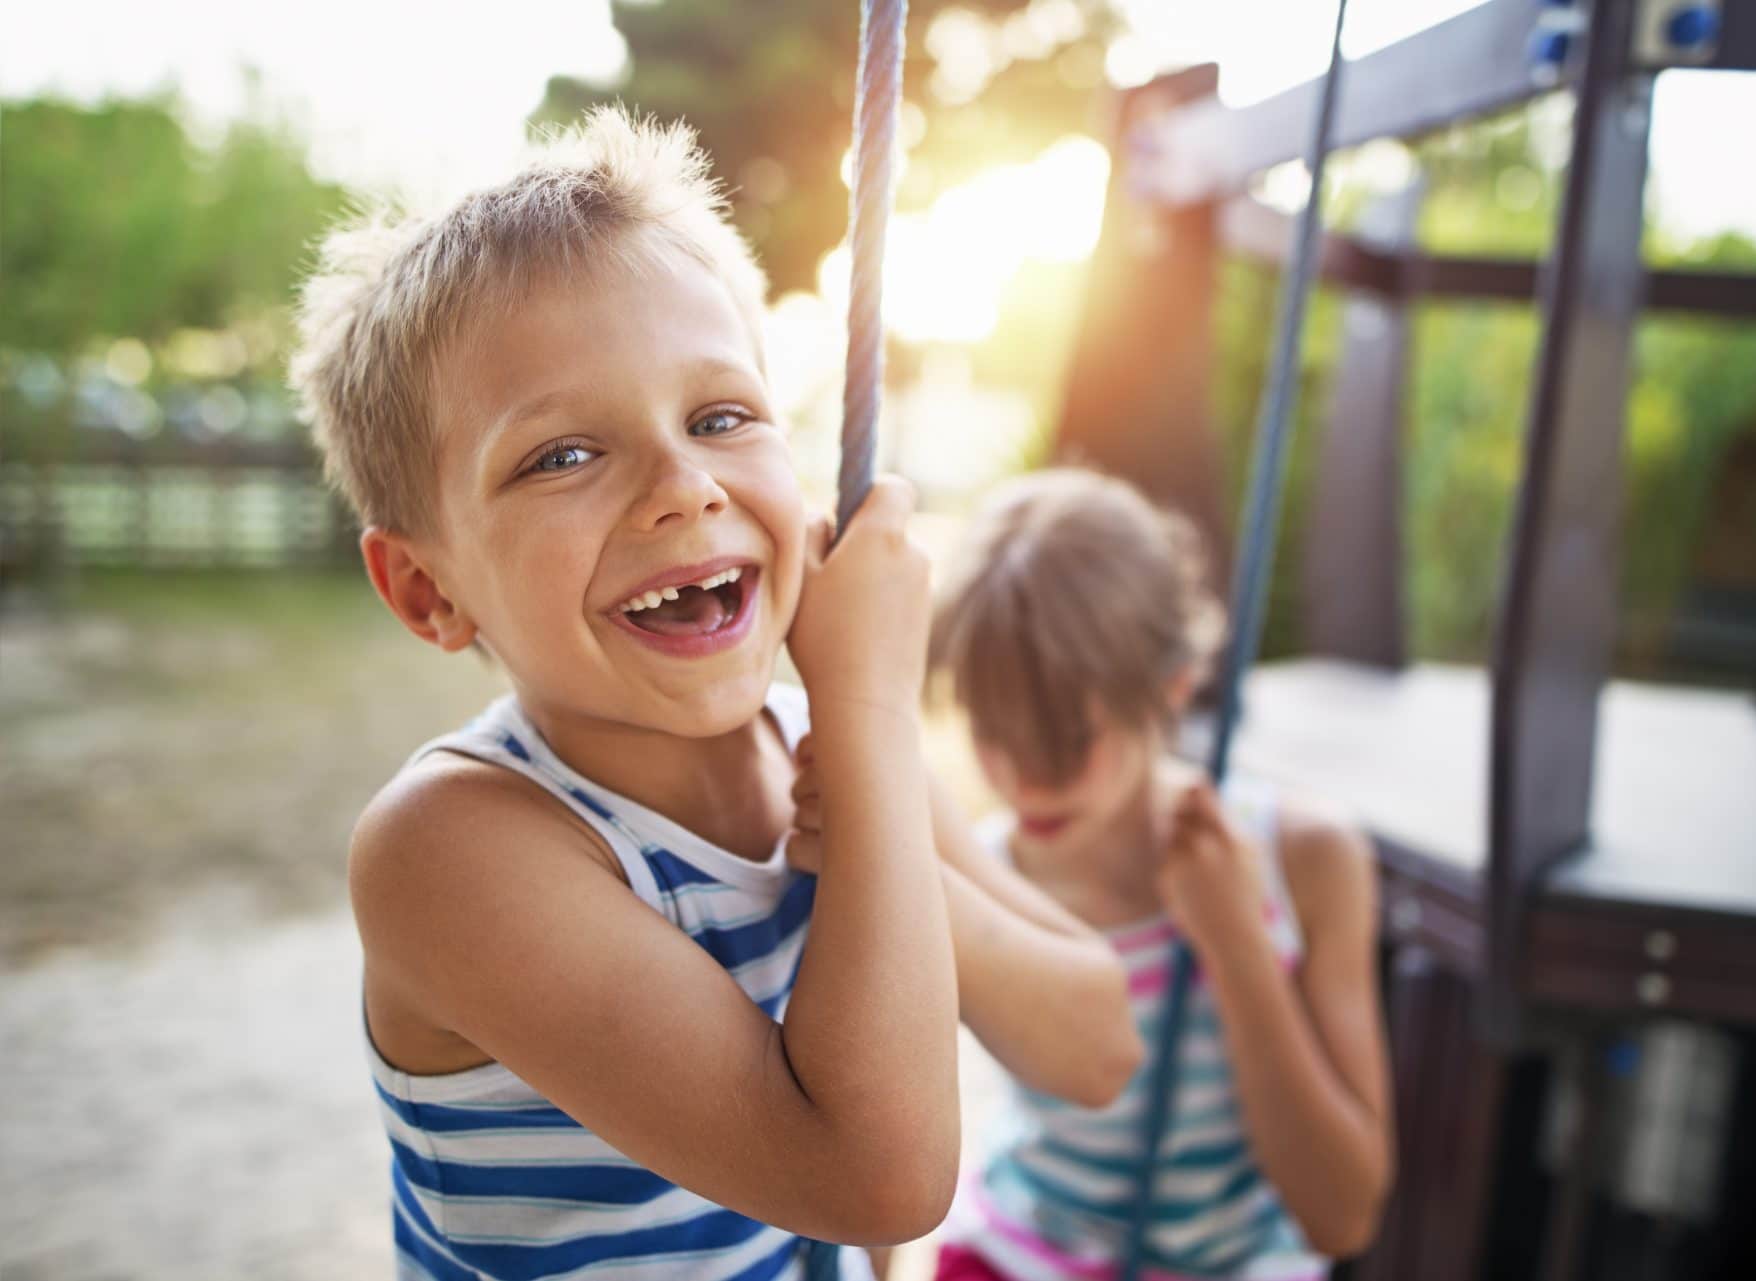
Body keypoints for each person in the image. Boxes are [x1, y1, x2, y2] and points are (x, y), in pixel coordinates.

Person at [289, 109, 1141, 1281]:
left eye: (722, 417)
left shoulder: (834, 753)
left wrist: (884, 828)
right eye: (562, 455)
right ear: (428, 589)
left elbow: (1099, 1047)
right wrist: (875, 724)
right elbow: (875, 1180)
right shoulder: (452, 850)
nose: (685, 487)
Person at [928, 470, 1394, 1280]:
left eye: (1069, 735)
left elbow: (1343, 1215)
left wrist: (1237, 942)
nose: (1028, 776)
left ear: (1171, 688)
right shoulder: (982, 879)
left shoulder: (1304, 857)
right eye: (995, 731)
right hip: (1020, 1253)